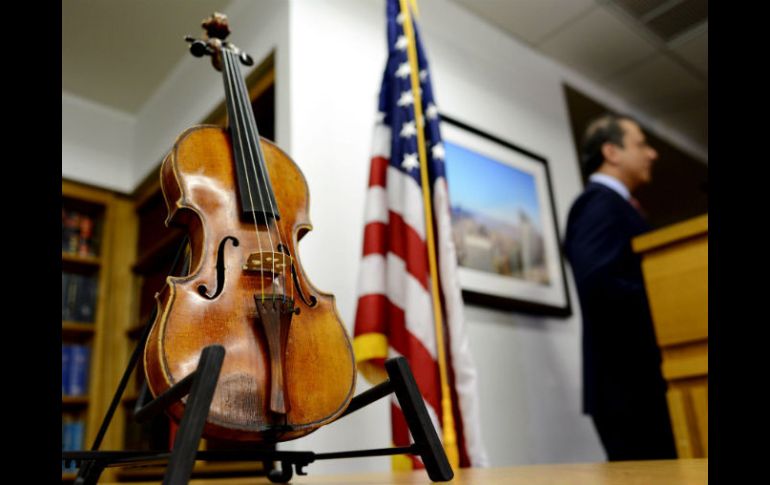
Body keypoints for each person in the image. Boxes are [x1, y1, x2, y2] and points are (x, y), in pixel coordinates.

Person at [564, 113, 677, 461]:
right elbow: (599, 285)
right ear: (611, 151)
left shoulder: (621, 206)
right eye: (642, 144)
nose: (653, 154)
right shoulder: (597, 203)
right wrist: (669, 304)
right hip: (629, 390)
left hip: (643, 386)